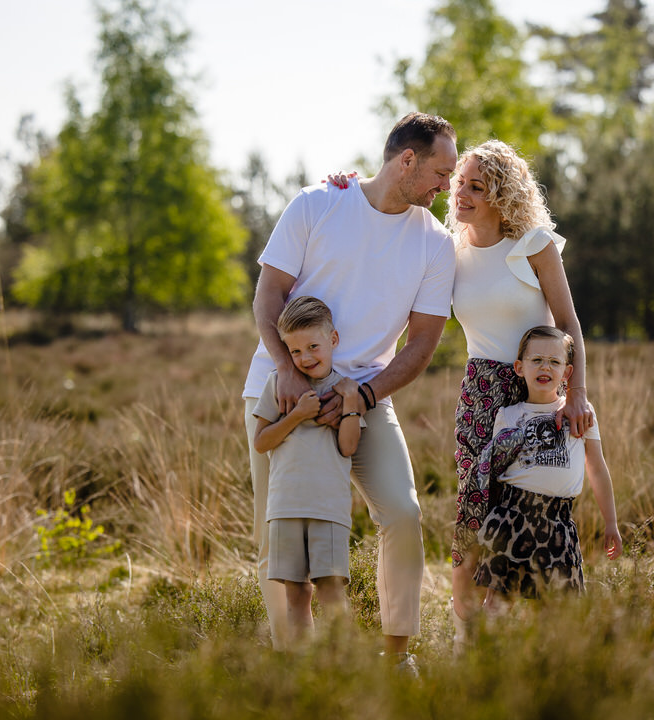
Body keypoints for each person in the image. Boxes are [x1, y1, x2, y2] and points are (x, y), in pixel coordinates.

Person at [328, 139, 594, 653]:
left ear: (501, 192)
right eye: (458, 184)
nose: (462, 194)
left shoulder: (533, 245)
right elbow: (381, 216)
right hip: (479, 393)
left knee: (533, 506)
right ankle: (469, 633)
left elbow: (569, 325)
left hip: (534, 390)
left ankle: (549, 632)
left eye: (476, 185)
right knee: (475, 509)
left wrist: (576, 392)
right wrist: (347, 188)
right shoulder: (448, 248)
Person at [242, 112, 458, 671]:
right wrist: (287, 371)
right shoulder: (317, 204)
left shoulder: (435, 244)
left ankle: (395, 657)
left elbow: (421, 345)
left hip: (364, 398)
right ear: (406, 160)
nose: (446, 186)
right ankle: (300, 670)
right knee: (278, 532)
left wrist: (363, 396)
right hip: (283, 392)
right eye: (440, 171)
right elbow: (269, 294)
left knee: (404, 513)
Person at [473, 326, 621, 609]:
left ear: (567, 373)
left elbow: (597, 467)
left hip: (558, 521)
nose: (545, 367)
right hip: (511, 517)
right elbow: (491, 474)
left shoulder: (580, 413)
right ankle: (489, 652)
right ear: (519, 367)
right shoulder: (508, 415)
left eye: (555, 362)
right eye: (537, 360)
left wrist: (611, 522)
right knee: (497, 605)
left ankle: (549, 655)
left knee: (557, 610)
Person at [252, 296, 365, 647]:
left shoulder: (347, 389)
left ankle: (342, 663)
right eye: (295, 351)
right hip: (285, 508)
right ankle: (303, 671)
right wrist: (297, 415)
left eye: (313, 346)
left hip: (328, 509)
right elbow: (261, 442)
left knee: (331, 590)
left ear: (332, 340)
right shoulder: (278, 385)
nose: (305, 358)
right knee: (296, 595)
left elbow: (348, 446)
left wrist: (348, 403)